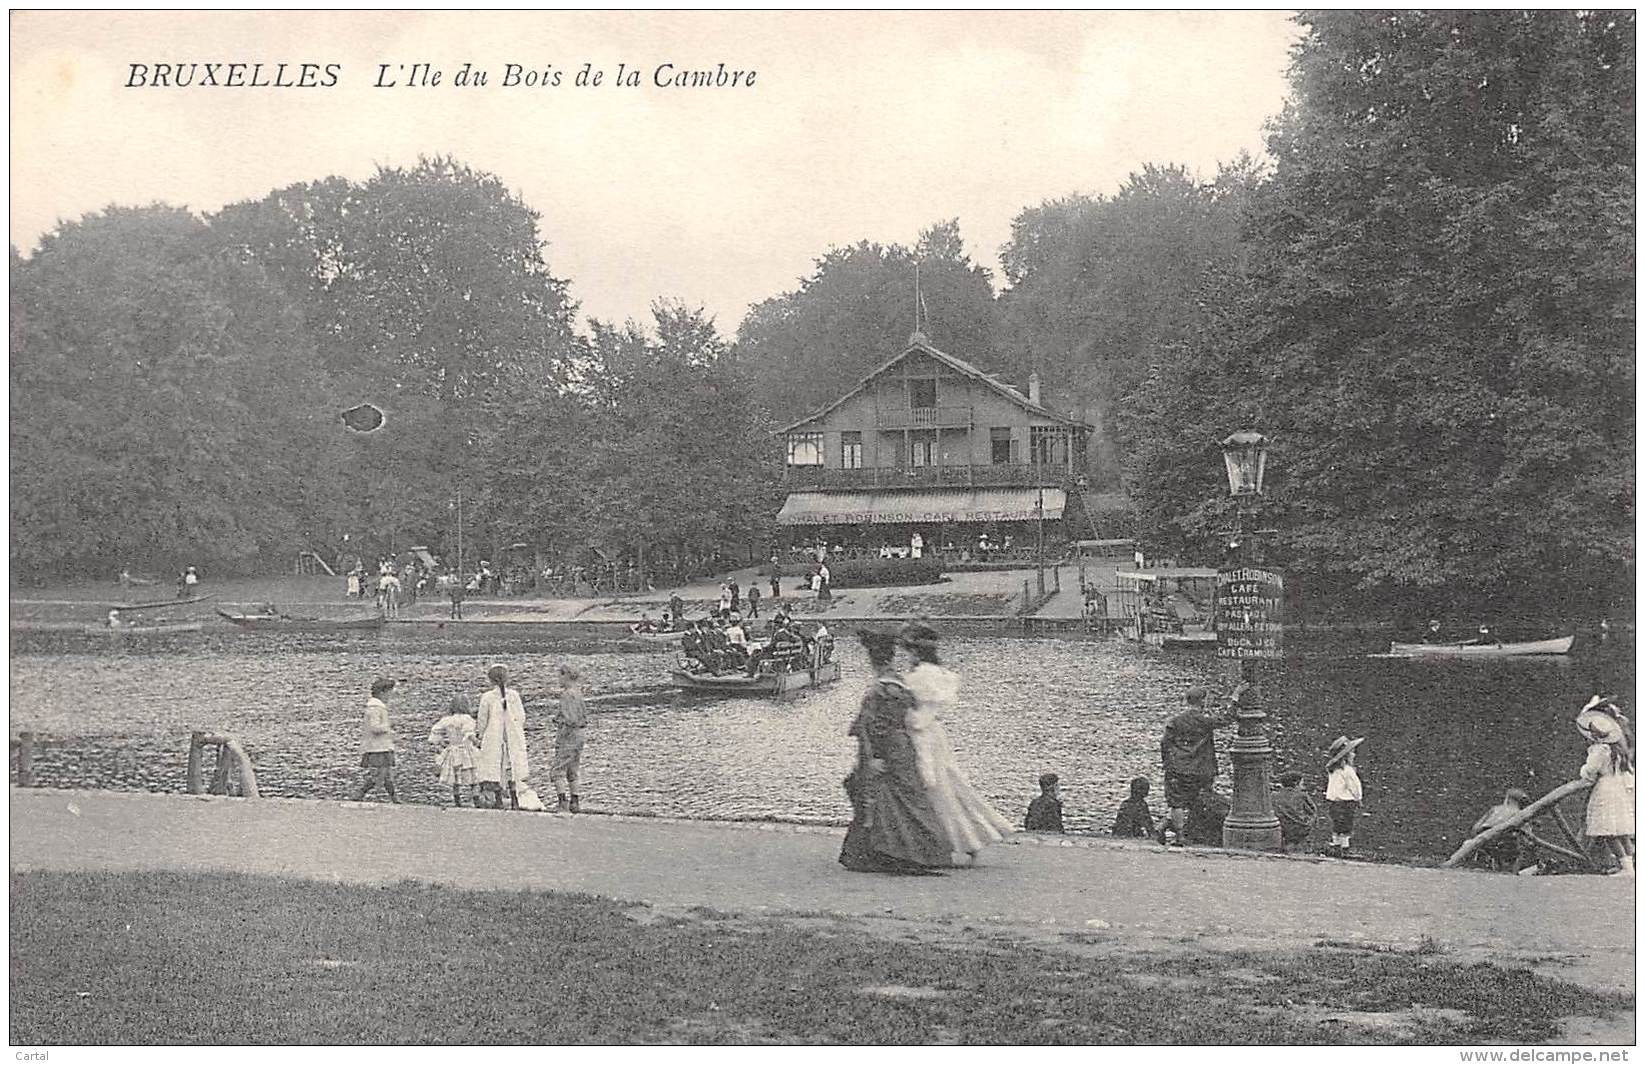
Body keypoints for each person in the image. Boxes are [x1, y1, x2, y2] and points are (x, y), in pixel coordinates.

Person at [898, 621, 1015, 865]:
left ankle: (942, 843)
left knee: (933, 790)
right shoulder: (939, 675)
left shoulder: (919, 678)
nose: (906, 657)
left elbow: (915, 717)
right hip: (936, 736)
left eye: (908, 651)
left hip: (922, 736)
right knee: (949, 786)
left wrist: (899, 719)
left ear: (916, 652)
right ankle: (966, 840)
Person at [838, 629, 952, 874]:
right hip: (903, 746)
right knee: (907, 797)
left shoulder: (879, 689)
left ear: (873, 660)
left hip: (884, 747)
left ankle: (885, 851)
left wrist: (875, 756)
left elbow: (875, 726)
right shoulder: (899, 683)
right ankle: (915, 849)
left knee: (876, 794)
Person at [1159, 686, 1238, 846]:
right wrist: (1235, 698)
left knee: (1177, 802)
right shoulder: (1205, 721)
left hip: (1178, 767)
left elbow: (1164, 743)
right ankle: (1182, 830)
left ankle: (1177, 834)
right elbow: (1227, 719)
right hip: (1201, 768)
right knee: (1198, 800)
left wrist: (1168, 763)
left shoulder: (1175, 721)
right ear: (1203, 701)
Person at [1576, 696, 1635, 877]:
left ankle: (1626, 869)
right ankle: (1629, 866)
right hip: (1618, 788)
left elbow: (1590, 770)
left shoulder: (1600, 750)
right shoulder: (1618, 750)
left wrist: (1584, 771)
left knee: (1609, 831)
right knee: (1621, 831)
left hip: (1606, 790)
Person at [476, 664, 529, 810]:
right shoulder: (514, 695)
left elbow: (482, 721)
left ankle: (499, 799)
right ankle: (514, 799)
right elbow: (521, 717)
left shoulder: (487, 697)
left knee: (495, 766)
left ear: (490, 680)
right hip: (511, 736)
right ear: (507, 679)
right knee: (511, 766)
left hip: (494, 737)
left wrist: (479, 735)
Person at [350, 677, 399, 803]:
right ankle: (360, 793)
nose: (390, 697)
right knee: (380, 774)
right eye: (389, 694)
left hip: (382, 745)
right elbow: (375, 727)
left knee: (387, 775)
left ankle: (394, 798)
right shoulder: (376, 708)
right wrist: (387, 728)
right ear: (382, 693)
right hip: (378, 747)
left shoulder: (377, 707)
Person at [428, 696, 479, 807]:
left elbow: (434, 732)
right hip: (467, 750)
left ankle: (457, 801)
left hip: (453, 749)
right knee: (473, 776)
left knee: (456, 777)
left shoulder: (447, 720)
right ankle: (476, 800)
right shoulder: (468, 719)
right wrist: (477, 742)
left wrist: (440, 743)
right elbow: (468, 732)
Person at [551, 665, 590, 813]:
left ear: (566, 676)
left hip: (569, 734)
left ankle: (562, 802)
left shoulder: (567, 695)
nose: (558, 680)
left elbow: (570, 719)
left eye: (560, 676)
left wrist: (561, 726)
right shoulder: (578, 693)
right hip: (580, 734)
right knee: (573, 769)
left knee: (557, 770)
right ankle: (575, 801)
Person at [1469, 787, 1533, 872]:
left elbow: (1475, 828)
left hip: (1487, 842)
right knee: (1522, 848)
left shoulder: (1495, 809)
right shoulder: (1520, 814)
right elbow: (1528, 837)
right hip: (1508, 845)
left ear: (1507, 799)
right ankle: (1513, 872)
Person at [1323, 735, 1365, 857]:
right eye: (1352, 752)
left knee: (1337, 825)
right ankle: (1345, 848)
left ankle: (1336, 846)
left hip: (1333, 802)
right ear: (1346, 756)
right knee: (1347, 825)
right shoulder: (1348, 770)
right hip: (1346, 802)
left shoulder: (1333, 770)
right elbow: (1354, 786)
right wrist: (1358, 799)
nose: (1354, 755)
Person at [1271, 770, 1319, 850]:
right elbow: (1313, 811)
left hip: (1280, 826)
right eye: (1302, 783)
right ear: (1296, 783)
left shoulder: (1274, 795)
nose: (1302, 786)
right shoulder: (1302, 796)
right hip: (1299, 828)